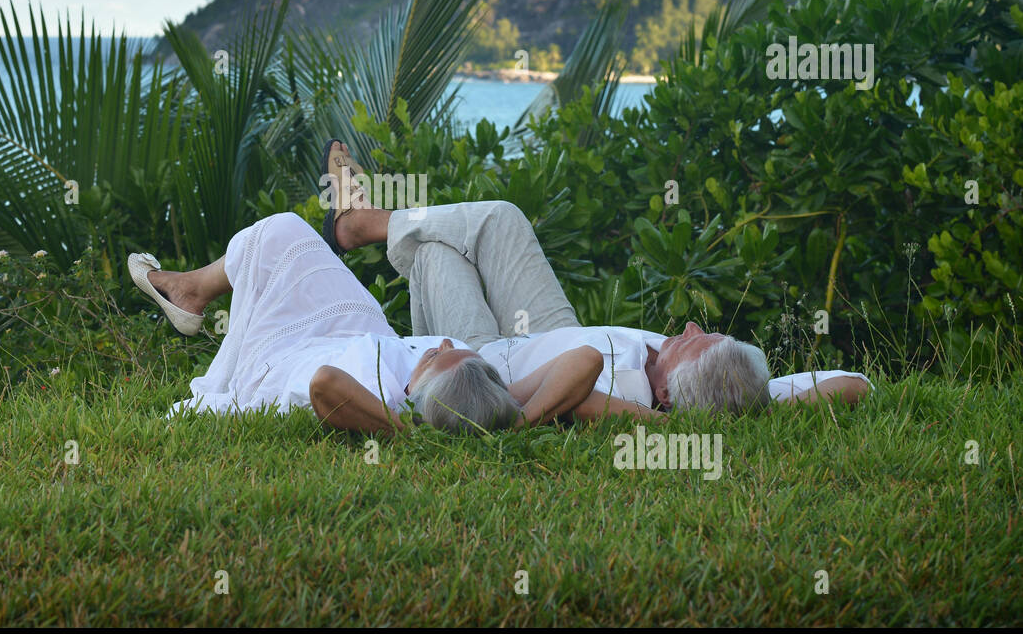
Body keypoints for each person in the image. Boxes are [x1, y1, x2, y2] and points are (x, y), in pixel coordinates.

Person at [318, 141, 871, 414]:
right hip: (558, 331)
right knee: (503, 218)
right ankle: (363, 224)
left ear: (665, 393)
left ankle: (358, 224)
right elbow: (857, 385)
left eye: (691, 342)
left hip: (498, 358)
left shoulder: (623, 393)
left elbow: (577, 400)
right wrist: (768, 399)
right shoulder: (730, 384)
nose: (688, 326)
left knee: (436, 252)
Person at [127, 211, 630, 436]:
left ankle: (191, 290)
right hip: (367, 335)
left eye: (439, 354)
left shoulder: (389, 404)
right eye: (458, 350)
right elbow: (583, 360)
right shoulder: (481, 400)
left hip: (298, 353)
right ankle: (194, 288)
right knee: (294, 237)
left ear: (416, 396)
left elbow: (324, 384)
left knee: (280, 232)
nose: (448, 341)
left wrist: (400, 432)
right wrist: (518, 414)